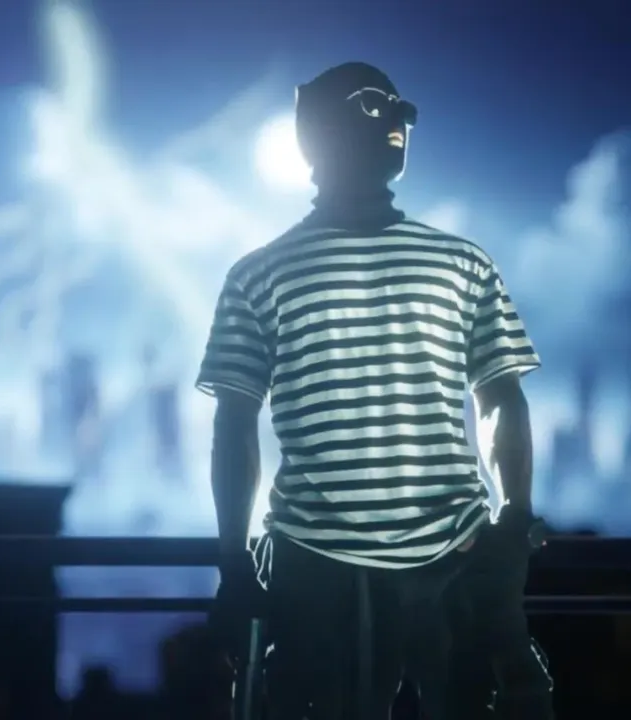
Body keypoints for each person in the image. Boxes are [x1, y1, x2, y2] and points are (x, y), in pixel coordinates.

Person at [198, 61, 554, 719]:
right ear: (318, 132)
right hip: (343, 566)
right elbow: (234, 422)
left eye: (399, 112)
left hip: (429, 558)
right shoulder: (261, 275)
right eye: (371, 107)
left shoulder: (463, 264)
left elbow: (501, 397)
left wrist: (513, 517)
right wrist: (513, 517)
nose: (394, 123)